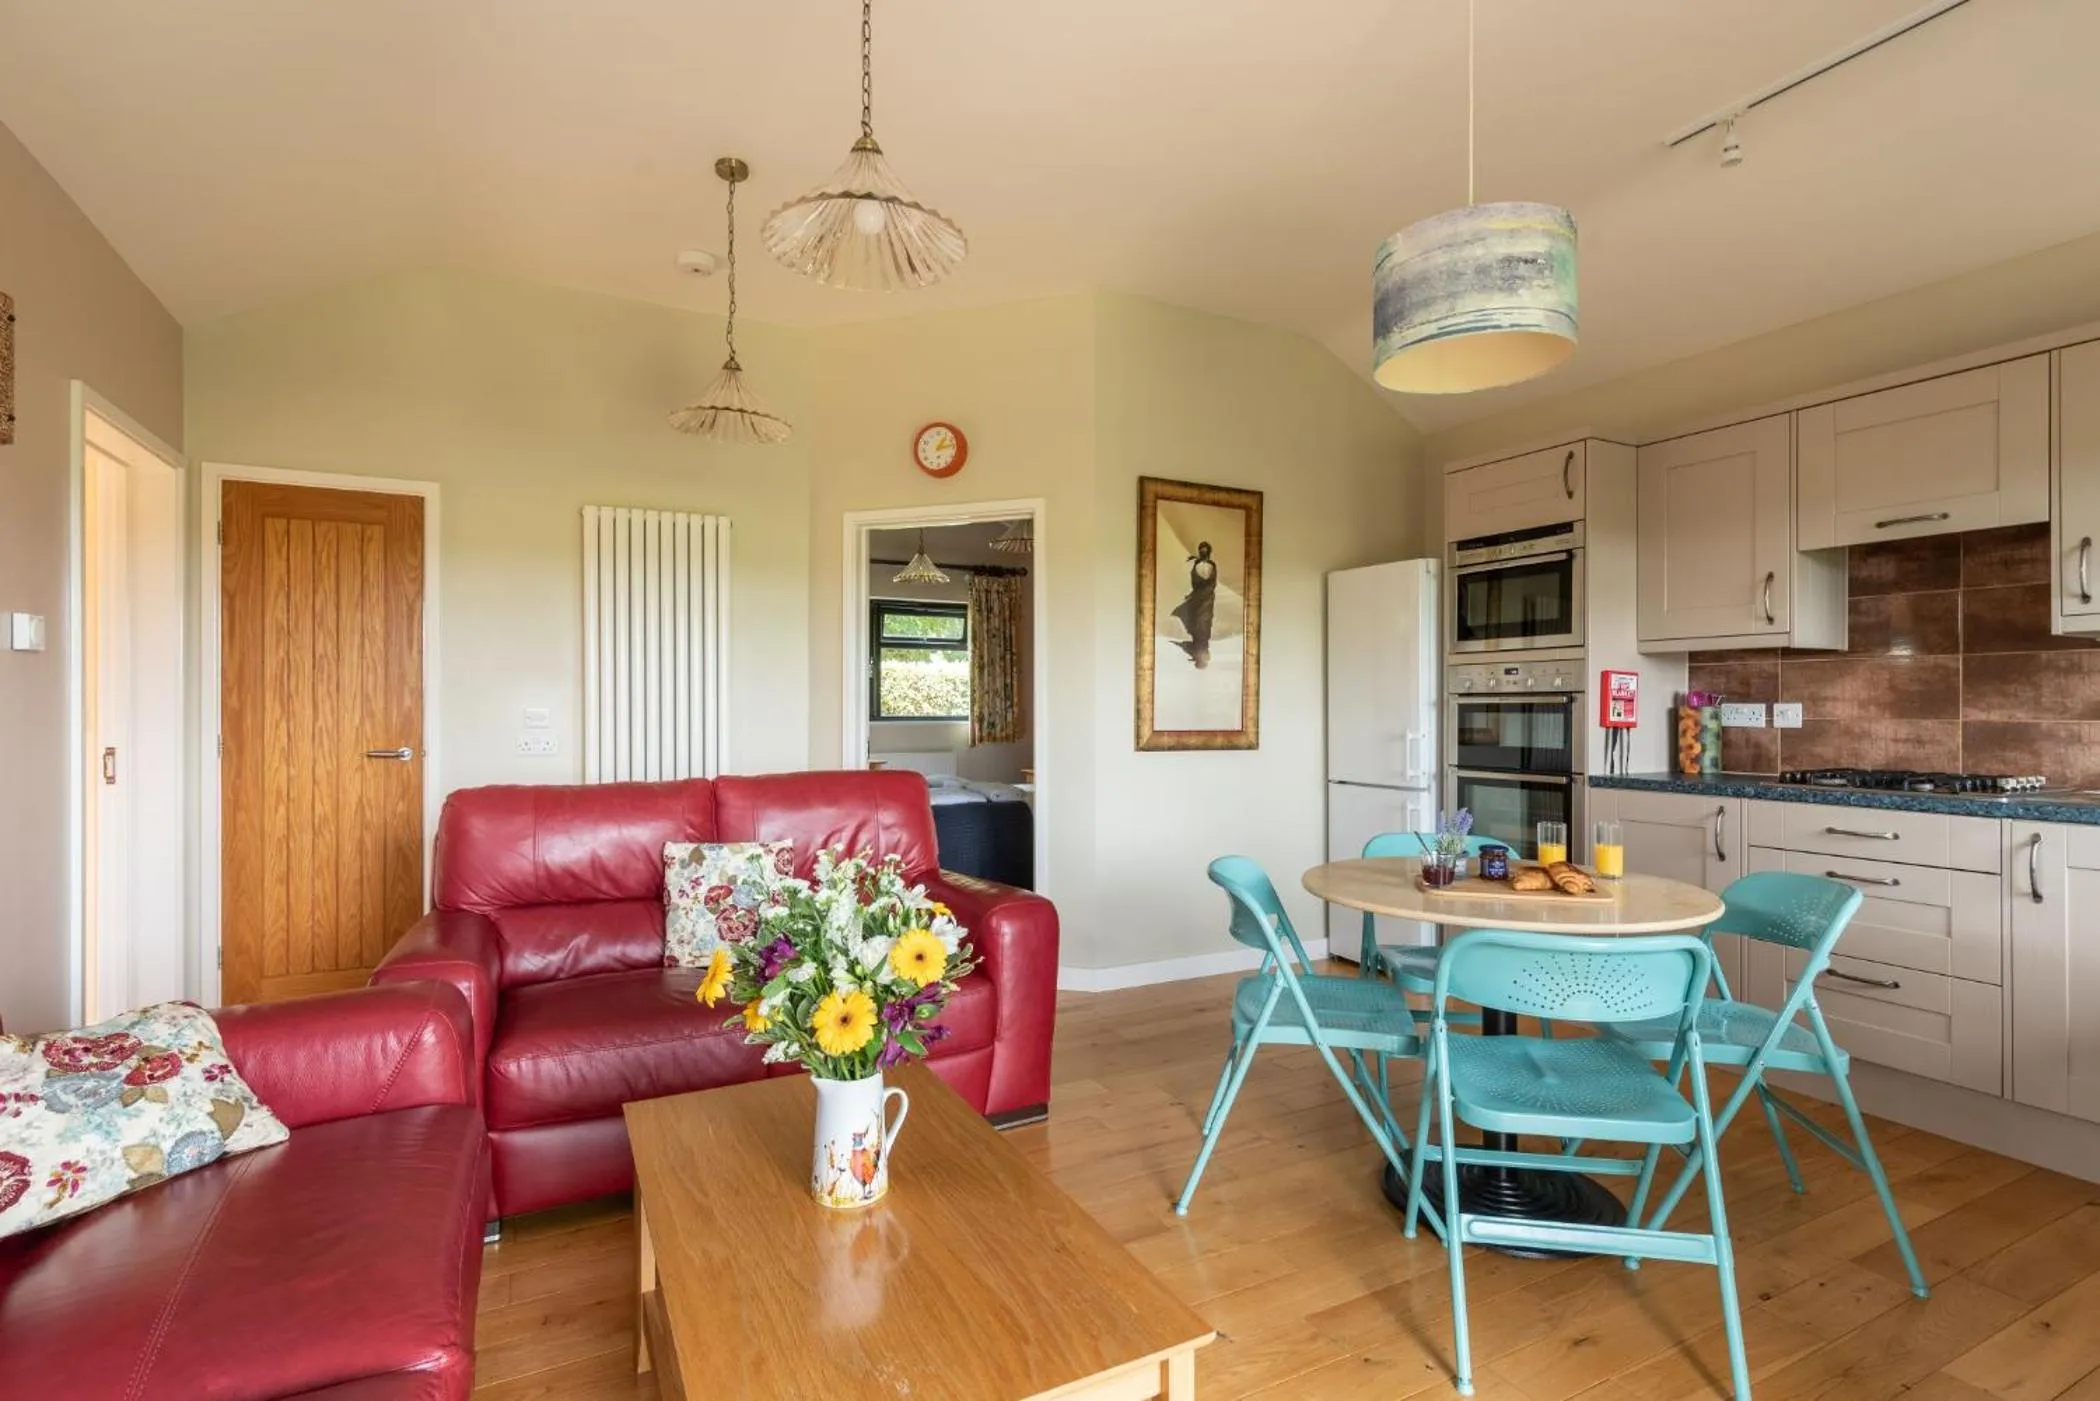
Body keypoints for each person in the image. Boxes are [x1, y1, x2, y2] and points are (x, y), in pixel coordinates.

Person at [1171, 541, 1218, 668]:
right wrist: (1193, 595)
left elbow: (1211, 585)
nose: (1203, 552)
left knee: (1203, 623)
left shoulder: (1210, 565)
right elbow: (1199, 583)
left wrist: (1195, 595)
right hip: (1198, 600)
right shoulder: (1197, 564)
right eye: (1201, 550)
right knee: (1197, 621)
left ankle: (1199, 646)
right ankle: (1198, 646)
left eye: (1204, 551)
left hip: (1206, 600)